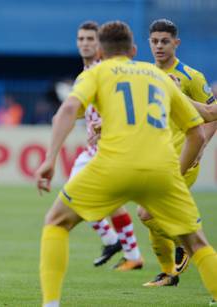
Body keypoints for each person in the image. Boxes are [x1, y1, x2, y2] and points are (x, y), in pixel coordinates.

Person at [35, 21, 217, 307]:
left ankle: (51, 303)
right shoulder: (159, 76)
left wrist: (49, 158)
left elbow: (67, 110)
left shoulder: (96, 72)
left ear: (101, 53)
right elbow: (198, 129)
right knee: (197, 242)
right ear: (134, 50)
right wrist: (177, 174)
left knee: (56, 222)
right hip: (161, 169)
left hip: (112, 166)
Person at [139, 19, 217, 287]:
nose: (159, 46)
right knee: (149, 217)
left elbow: (213, 113)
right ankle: (170, 270)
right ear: (148, 43)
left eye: (165, 41)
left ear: (176, 43)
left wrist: (203, 143)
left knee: (146, 213)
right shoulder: (145, 74)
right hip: (152, 157)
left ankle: (187, 245)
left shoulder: (191, 76)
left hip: (182, 156)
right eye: (155, 41)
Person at [71, 21, 142, 270]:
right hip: (94, 149)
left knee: (75, 196)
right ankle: (131, 253)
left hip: (109, 147)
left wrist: (104, 124)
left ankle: (114, 241)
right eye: (81, 39)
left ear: (100, 44)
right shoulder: (87, 73)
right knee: (110, 202)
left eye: (90, 39)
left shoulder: (105, 71)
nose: (85, 43)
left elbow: (124, 105)